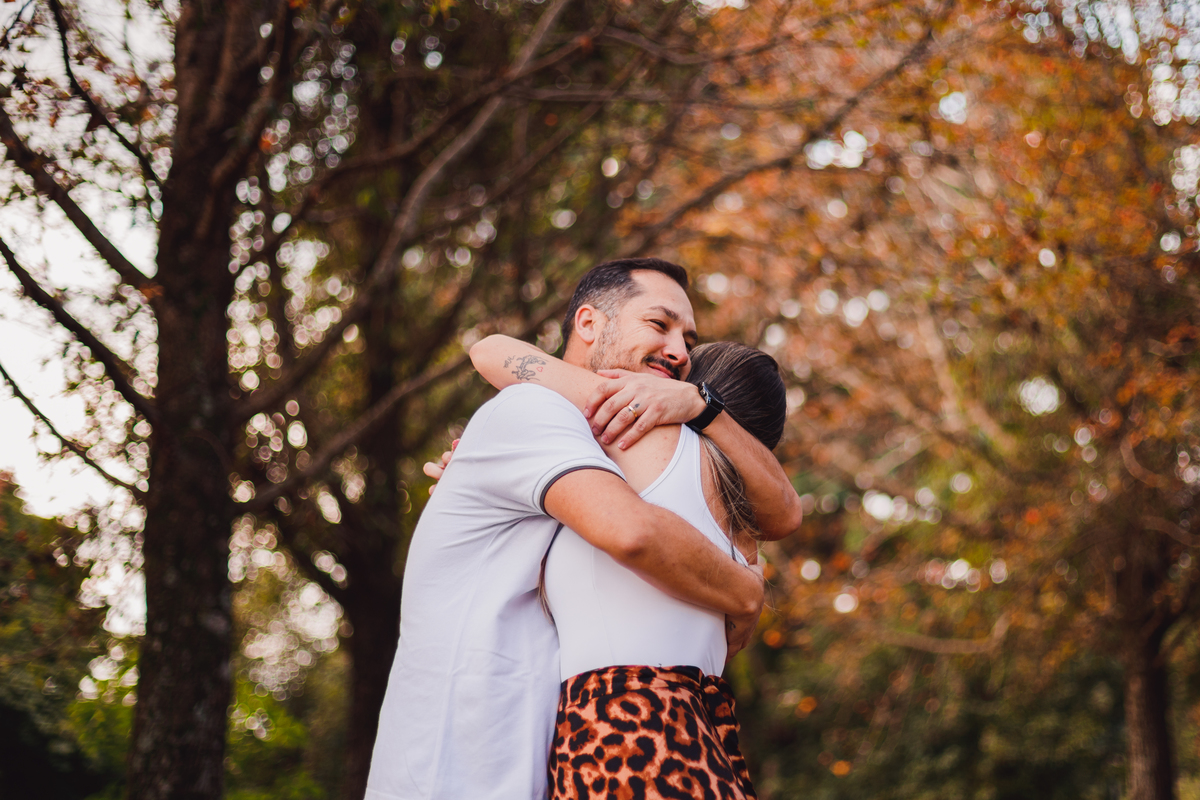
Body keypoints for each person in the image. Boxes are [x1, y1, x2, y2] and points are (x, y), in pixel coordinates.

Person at [365, 258, 802, 800]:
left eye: (689, 341)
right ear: (589, 323)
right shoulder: (538, 413)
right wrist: (745, 590)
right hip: (469, 760)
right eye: (658, 324)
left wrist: (697, 404)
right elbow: (492, 353)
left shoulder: (616, 446)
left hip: (594, 742)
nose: (678, 352)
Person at [469, 335, 786, 799]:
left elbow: (489, 352)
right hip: (707, 737)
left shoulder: (639, 435)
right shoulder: (747, 536)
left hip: (622, 725)